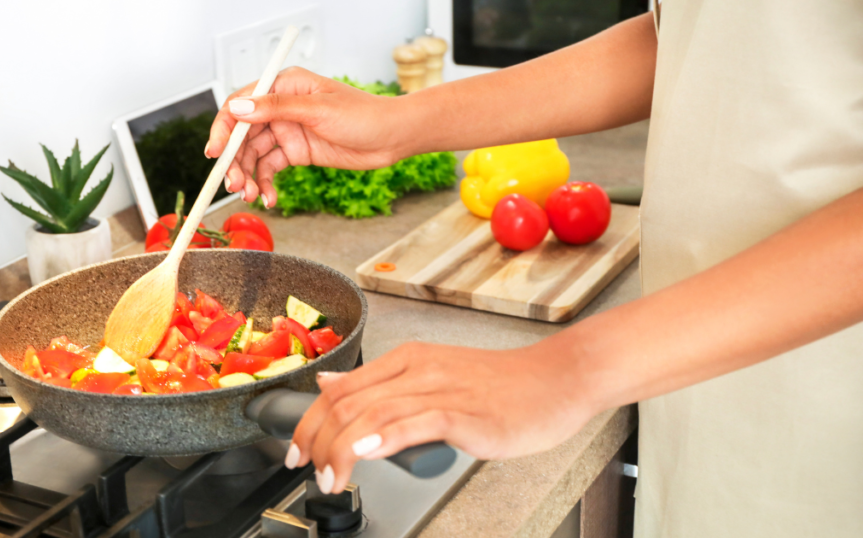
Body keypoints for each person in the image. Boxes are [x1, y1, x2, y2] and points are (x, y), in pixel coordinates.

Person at [207, 3, 863, 536]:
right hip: (692, 365)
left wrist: (568, 368)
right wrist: (398, 124)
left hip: (823, 404)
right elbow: (698, 40)